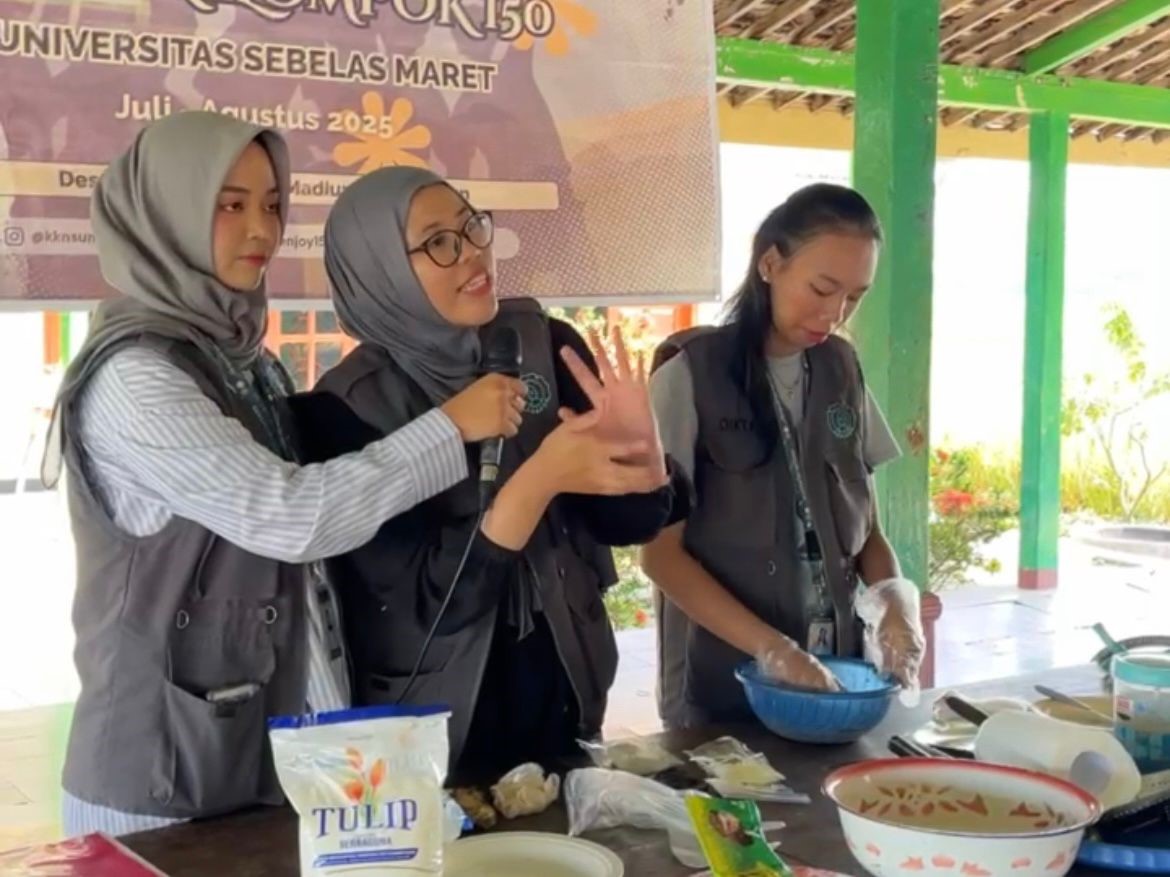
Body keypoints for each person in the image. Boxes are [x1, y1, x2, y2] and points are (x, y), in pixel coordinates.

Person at [43, 112, 525, 836]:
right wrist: (451, 427)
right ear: (167, 213)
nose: (261, 229)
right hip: (157, 788)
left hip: (260, 762)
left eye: (271, 204)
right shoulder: (136, 378)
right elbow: (294, 518)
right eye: (229, 204)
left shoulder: (244, 362)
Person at [295, 166, 687, 777]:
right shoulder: (343, 411)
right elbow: (432, 604)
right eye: (438, 243)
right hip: (432, 736)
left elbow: (625, 520)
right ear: (378, 271)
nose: (473, 253)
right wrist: (538, 479)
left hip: (566, 703)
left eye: (471, 227)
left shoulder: (547, 344)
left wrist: (645, 458)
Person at [641, 183, 925, 730]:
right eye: (822, 288)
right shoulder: (690, 374)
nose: (834, 313)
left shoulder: (842, 369)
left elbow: (867, 533)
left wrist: (893, 601)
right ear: (770, 263)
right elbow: (660, 557)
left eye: (855, 297)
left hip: (833, 675)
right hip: (720, 684)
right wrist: (774, 651)